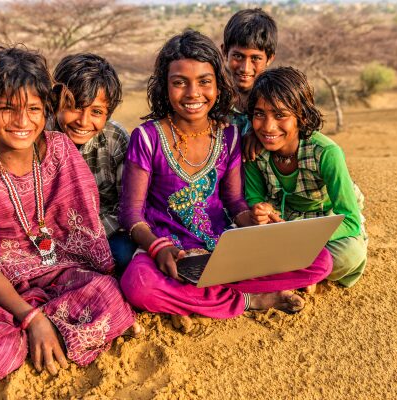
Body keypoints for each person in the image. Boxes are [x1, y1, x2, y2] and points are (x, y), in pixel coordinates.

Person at [0, 45, 139, 392]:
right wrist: (31, 317)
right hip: (2, 275)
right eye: (7, 109)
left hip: (60, 265)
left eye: (33, 109)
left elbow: (85, 230)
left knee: (109, 295)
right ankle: (43, 330)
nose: (22, 122)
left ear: (45, 109)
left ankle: (33, 333)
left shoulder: (61, 150)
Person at [118, 30, 332, 325]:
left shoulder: (229, 136)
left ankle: (199, 297)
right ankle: (249, 299)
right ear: (164, 87)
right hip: (169, 253)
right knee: (138, 286)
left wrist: (257, 224)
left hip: (221, 250)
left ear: (219, 84)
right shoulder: (147, 137)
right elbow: (130, 213)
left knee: (320, 261)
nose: (193, 93)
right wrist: (158, 247)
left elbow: (234, 202)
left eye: (205, 82)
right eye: (180, 82)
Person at [245, 67, 367, 288]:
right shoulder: (255, 151)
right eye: (259, 114)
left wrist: (300, 238)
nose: (268, 126)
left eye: (280, 114)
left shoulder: (326, 153)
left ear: (301, 116)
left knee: (349, 254)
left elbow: (349, 221)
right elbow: (254, 199)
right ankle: (306, 275)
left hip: (324, 225)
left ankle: (299, 273)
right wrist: (261, 212)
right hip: (283, 225)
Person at [53, 53, 136, 274]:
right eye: (75, 107)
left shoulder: (115, 139)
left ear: (108, 114)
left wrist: (90, 235)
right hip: (51, 233)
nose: (83, 121)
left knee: (125, 255)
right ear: (55, 101)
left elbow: (125, 205)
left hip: (103, 230)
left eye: (96, 112)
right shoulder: (40, 137)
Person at [221, 8, 276, 160]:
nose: (245, 68)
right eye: (238, 56)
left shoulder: (278, 102)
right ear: (224, 52)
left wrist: (260, 134)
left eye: (256, 58)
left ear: (270, 58)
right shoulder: (212, 102)